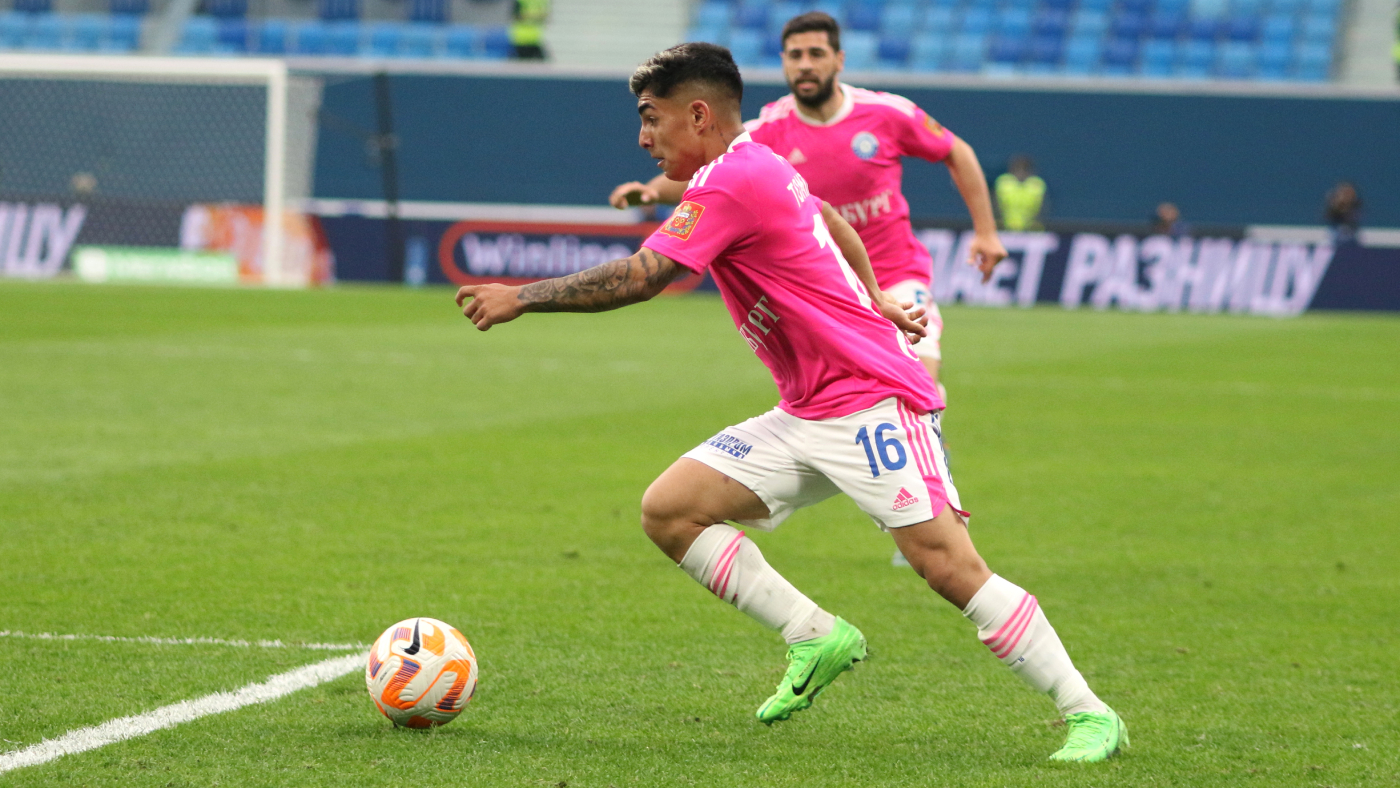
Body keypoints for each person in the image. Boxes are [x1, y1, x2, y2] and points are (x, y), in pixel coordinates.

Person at [463, 42, 1126, 763]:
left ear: (698, 114)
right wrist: (874, 293)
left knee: (948, 567)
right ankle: (815, 634)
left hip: (871, 400)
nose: (643, 138)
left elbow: (644, 275)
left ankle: (1090, 713)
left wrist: (522, 296)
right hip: (807, 409)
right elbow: (830, 217)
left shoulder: (729, 180)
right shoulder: (759, 163)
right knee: (671, 509)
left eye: (651, 118)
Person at [611, 11, 1004, 569]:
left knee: (915, 372)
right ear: (784, 64)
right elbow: (706, 162)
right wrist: (650, 192)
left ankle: (937, 521)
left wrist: (986, 231)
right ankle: (914, 508)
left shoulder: (886, 113)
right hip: (825, 287)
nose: (805, 64)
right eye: (794, 55)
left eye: (816, 53)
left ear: (838, 59)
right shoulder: (769, 128)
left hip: (893, 277)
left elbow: (955, 151)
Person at [994, 156, 1046, 231]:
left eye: (1024, 169)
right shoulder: (1003, 183)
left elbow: (1042, 209)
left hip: (1030, 229)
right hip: (1005, 228)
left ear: (1029, 172)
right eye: (1017, 169)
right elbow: (996, 206)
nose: (1021, 173)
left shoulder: (1037, 185)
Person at [1323, 181, 1362, 245]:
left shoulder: (1356, 206)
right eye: (1345, 193)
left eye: (1349, 193)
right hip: (1335, 235)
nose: (1347, 196)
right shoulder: (1333, 207)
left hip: (1352, 236)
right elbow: (1329, 216)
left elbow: (1354, 217)